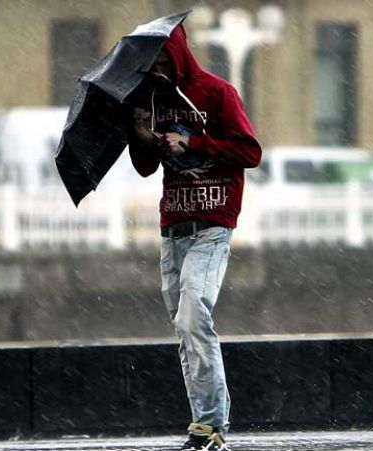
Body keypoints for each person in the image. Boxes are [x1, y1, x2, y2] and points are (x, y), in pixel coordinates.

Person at [127, 22, 262, 451]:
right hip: (173, 227)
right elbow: (146, 168)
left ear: (180, 54)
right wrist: (142, 134)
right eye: (155, 62)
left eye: (166, 59)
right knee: (185, 329)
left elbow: (250, 152)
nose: (160, 67)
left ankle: (213, 423)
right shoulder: (150, 100)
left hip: (212, 224)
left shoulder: (217, 93)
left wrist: (196, 143)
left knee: (193, 312)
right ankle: (202, 426)